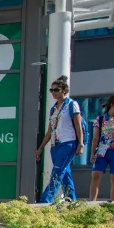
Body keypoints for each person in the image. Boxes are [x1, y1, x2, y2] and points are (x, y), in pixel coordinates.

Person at [36, 75, 85, 203]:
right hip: (55, 145)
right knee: (65, 174)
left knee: (57, 172)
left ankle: (45, 201)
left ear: (64, 90)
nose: (54, 93)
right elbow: (50, 131)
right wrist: (40, 148)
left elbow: (78, 125)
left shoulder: (72, 104)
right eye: (52, 90)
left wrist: (81, 144)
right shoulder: (53, 109)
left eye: (56, 90)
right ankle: (72, 201)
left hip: (68, 143)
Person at [89, 96, 114, 202]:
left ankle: (113, 202)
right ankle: (92, 202)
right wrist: (92, 154)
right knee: (96, 176)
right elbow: (95, 138)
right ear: (113, 105)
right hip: (101, 151)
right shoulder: (100, 119)